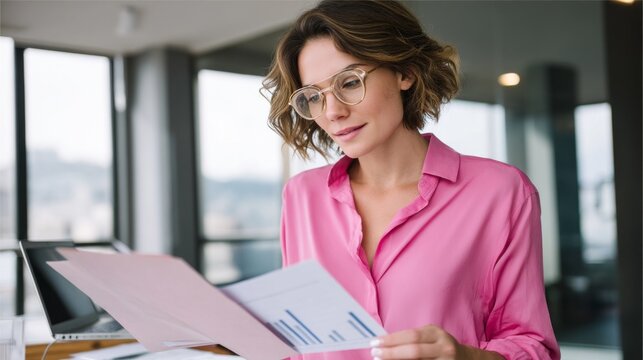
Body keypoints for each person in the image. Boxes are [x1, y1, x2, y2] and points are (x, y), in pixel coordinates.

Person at [261, 1, 560, 359]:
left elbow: (533, 346)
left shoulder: (500, 192)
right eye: (313, 96)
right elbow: (300, 342)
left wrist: (464, 357)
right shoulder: (302, 196)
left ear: (405, 72)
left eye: (350, 82)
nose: (333, 111)